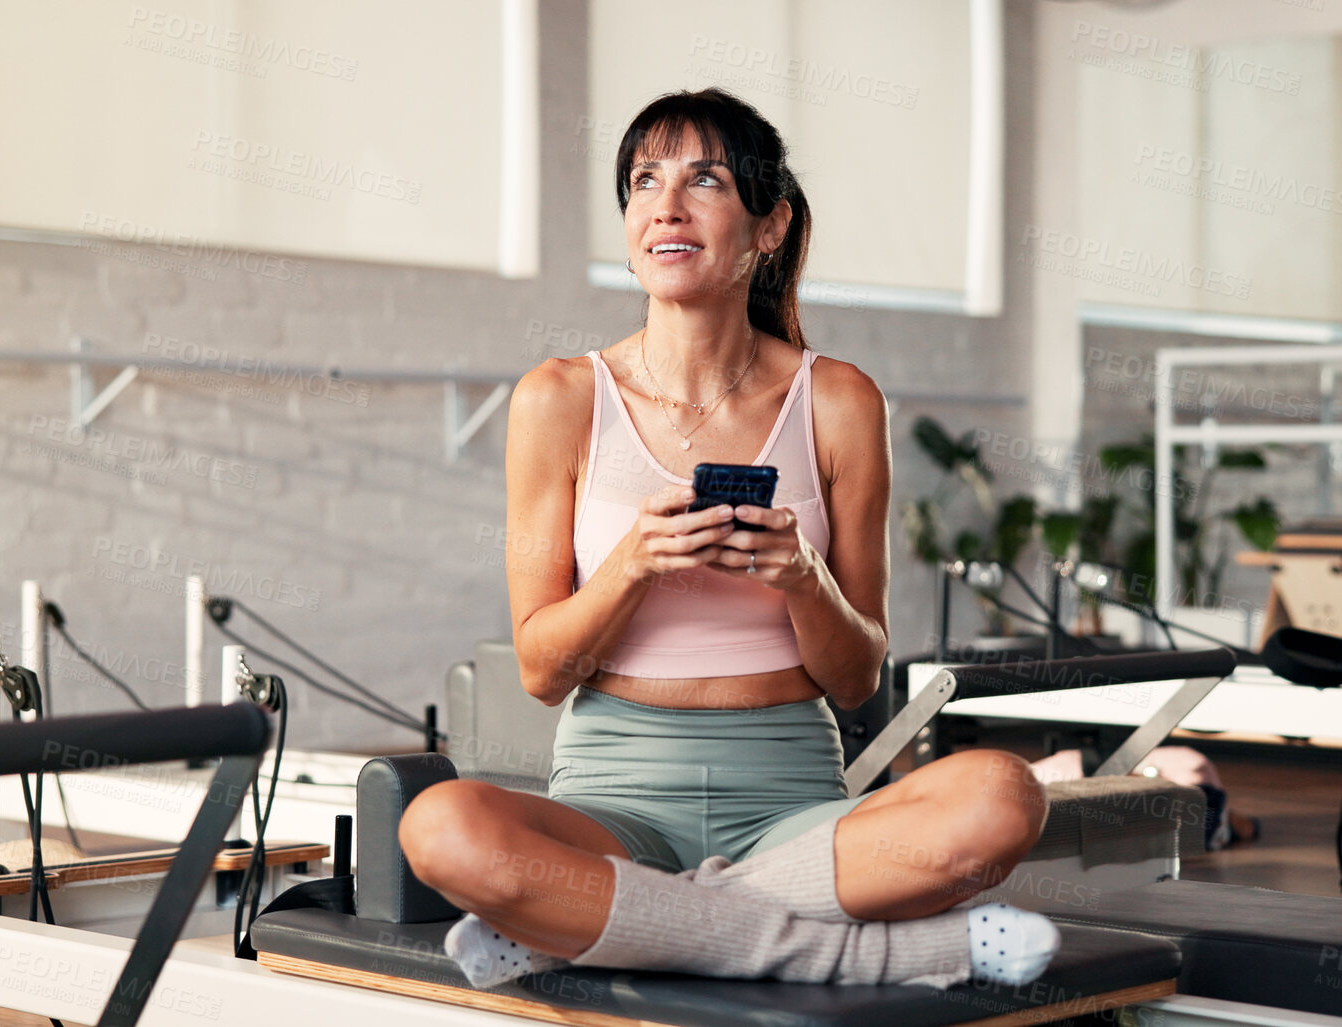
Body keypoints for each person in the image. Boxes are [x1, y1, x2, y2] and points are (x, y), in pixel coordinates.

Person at [399, 88, 1057, 991]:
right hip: (610, 800)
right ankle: (877, 951)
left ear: (769, 225)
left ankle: (608, 921)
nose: (664, 205)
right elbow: (542, 670)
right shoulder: (557, 398)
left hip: (789, 797)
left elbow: (857, 675)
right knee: (439, 828)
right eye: (642, 180)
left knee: (1000, 798)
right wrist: (630, 565)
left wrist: (802, 579)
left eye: (702, 179)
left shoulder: (837, 401)